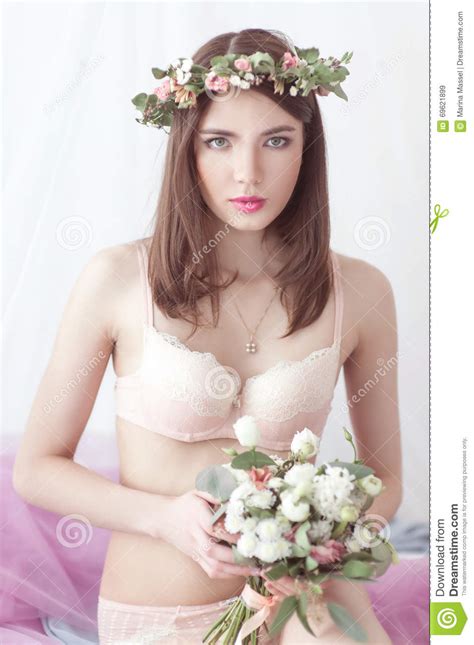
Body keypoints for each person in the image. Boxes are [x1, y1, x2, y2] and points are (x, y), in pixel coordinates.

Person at [13, 28, 399, 644]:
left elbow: (387, 477)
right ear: (188, 149)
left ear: (308, 150)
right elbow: (37, 468)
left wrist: (315, 543)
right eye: (220, 142)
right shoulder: (116, 279)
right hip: (159, 615)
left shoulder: (363, 290)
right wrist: (164, 519)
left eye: (277, 140)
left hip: (303, 602)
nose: (248, 173)